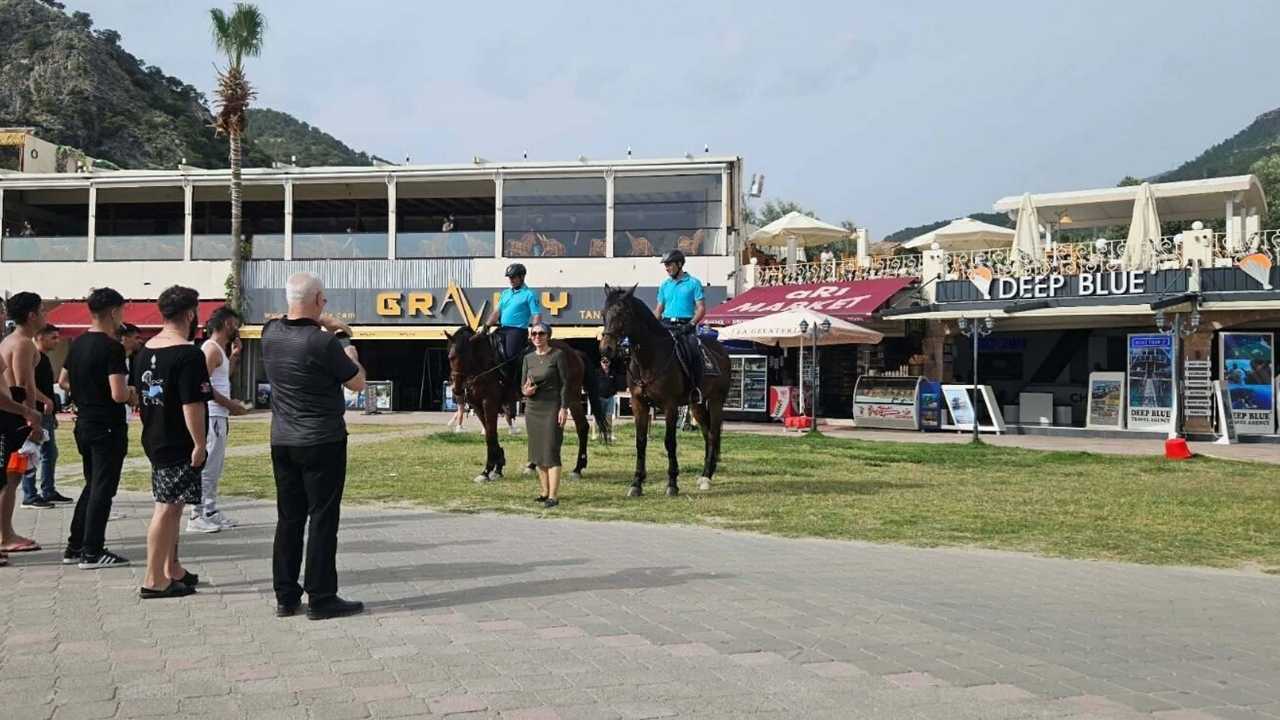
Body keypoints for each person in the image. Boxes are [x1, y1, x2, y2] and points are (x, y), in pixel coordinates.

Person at [262, 271, 366, 620]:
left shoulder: (269, 334)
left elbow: (293, 319)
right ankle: (321, 596)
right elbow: (358, 383)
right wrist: (344, 339)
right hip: (322, 439)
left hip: (283, 439)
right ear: (320, 300)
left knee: (288, 518)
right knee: (322, 518)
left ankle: (285, 595)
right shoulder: (322, 343)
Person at [131, 286, 211, 599]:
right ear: (191, 314)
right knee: (165, 508)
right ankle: (153, 578)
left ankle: (171, 568)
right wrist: (200, 443)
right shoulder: (189, 354)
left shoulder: (146, 349)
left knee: (173, 505)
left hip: (154, 434)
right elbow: (192, 404)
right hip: (177, 440)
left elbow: (142, 395)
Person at [61, 287, 134, 569]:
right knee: (103, 488)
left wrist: (86, 391)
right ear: (114, 311)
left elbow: (64, 380)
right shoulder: (111, 347)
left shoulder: (77, 343)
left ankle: (75, 545)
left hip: (84, 423)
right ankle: (93, 551)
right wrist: (131, 392)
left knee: (92, 485)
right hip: (107, 426)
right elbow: (118, 393)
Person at [187, 306, 249, 533]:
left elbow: (222, 376)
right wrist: (231, 405)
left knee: (215, 466)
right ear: (226, 324)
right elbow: (204, 385)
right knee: (207, 466)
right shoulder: (210, 349)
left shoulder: (219, 350)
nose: (237, 329)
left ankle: (210, 510)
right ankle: (196, 514)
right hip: (212, 414)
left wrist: (234, 356)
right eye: (235, 324)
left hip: (218, 415)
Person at [0, 293, 48, 559]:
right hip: (15, 416)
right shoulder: (23, 344)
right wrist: (32, 419)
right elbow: (22, 385)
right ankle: (5, 535)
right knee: (11, 477)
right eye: (43, 310)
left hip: (12, 412)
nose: (46, 315)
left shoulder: (10, 341)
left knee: (9, 476)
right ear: (31, 315)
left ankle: (6, 532)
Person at [485, 263, 542, 435]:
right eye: (509, 278)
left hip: (517, 330)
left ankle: (512, 388)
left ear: (522, 277)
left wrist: (536, 330)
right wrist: (486, 326)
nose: (510, 280)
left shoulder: (529, 294)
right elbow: (496, 313)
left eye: (513, 277)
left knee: (509, 355)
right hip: (502, 328)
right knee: (485, 349)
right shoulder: (505, 293)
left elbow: (536, 314)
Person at [22, 324, 71, 508]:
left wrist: (53, 412)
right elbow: (27, 384)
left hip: (47, 414)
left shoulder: (44, 358)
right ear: (40, 337)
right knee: (32, 452)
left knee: (50, 453)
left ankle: (48, 490)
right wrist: (44, 400)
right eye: (53, 338)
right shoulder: (33, 357)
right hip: (36, 412)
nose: (57, 342)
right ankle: (29, 494)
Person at [521, 322, 569, 509]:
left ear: (548, 335)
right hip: (533, 409)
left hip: (552, 407)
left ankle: (553, 496)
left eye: (541, 333)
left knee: (551, 450)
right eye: (534, 334)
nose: (537, 337)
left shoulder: (558, 356)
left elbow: (566, 384)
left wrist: (564, 408)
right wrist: (526, 391)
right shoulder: (528, 358)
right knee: (537, 453)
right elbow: (522, 385)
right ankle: (544, 492)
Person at [654, 249, 707, 399]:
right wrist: (650, 325)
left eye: (669, 264)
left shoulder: (693, 283)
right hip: (666, 325)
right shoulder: (665, 285)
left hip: (686, 326)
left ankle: (695, 389)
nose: (667, 268)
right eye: (666, 265)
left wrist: (691, 324)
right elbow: (659, 309)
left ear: (679, 264)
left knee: (693, 350)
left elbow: (701, 308)